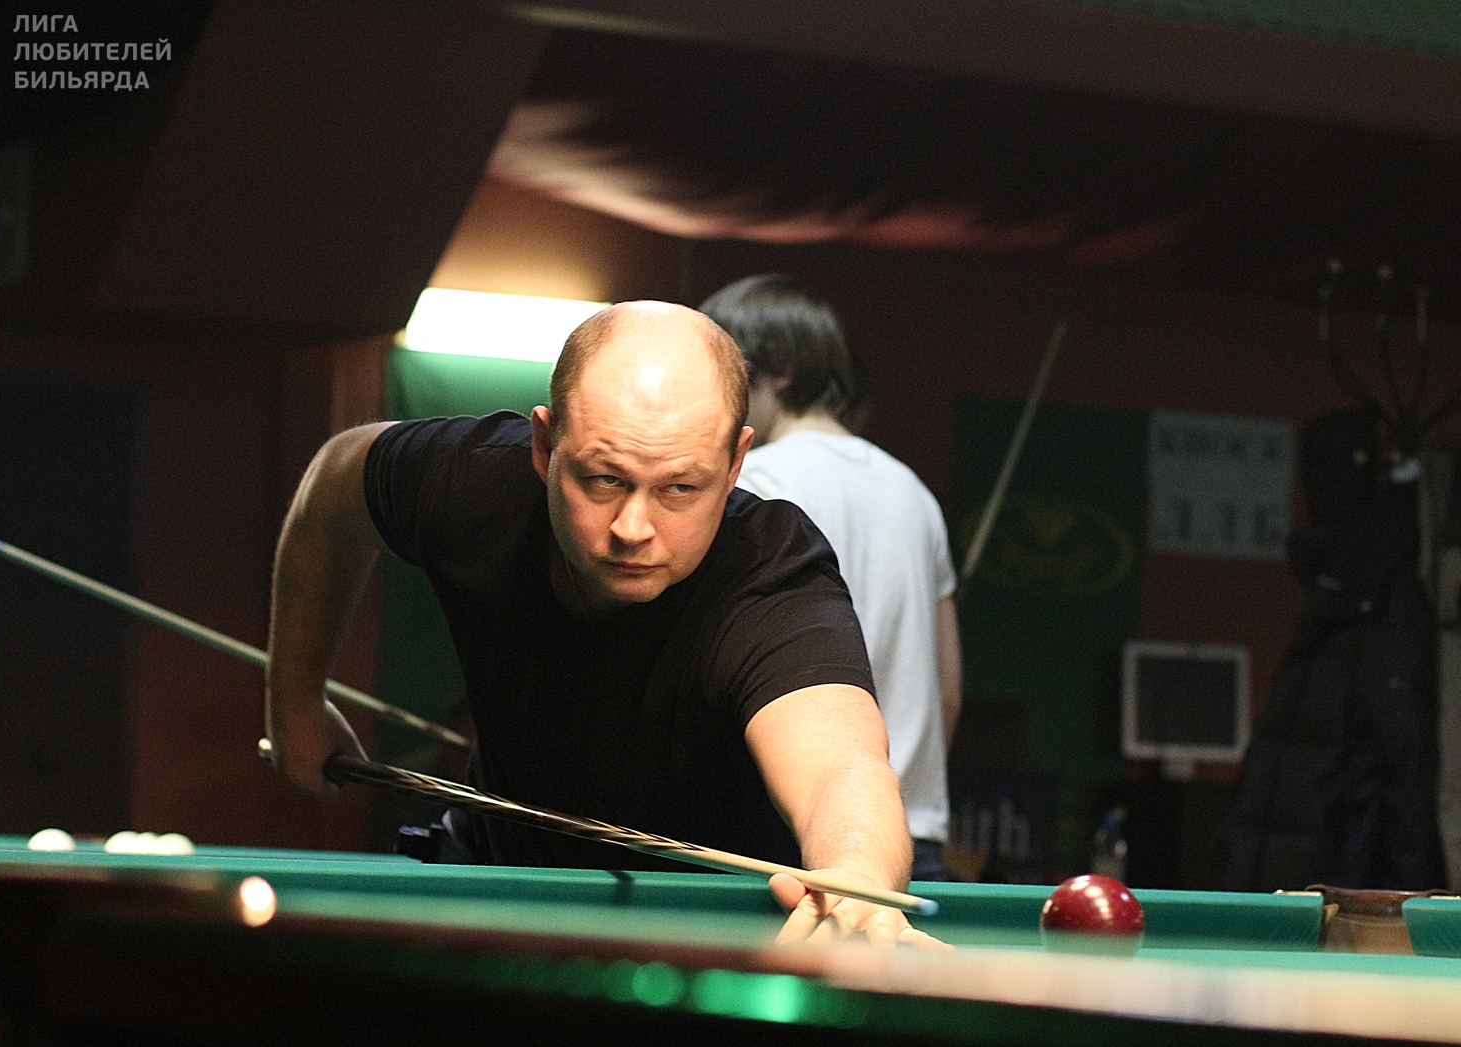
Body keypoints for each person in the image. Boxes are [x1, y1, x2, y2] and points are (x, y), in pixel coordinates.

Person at [266, 300, 942, 946]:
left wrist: (857, 876)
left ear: (737, 463)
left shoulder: (769, 576)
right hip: (499, 888)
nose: (633, 528)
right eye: (604, 479)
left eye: (680, 487)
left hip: (722, 931)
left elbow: (840, 768)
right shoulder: (473, 482)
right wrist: (295, 704)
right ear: (544, 444)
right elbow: (337, 481)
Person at [700, 275, 962, 882]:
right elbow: (947, 691)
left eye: (728, 375)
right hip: (909, 835)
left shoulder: (753, 483)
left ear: (779, 371)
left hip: (792, 840)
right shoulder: (913, 493)